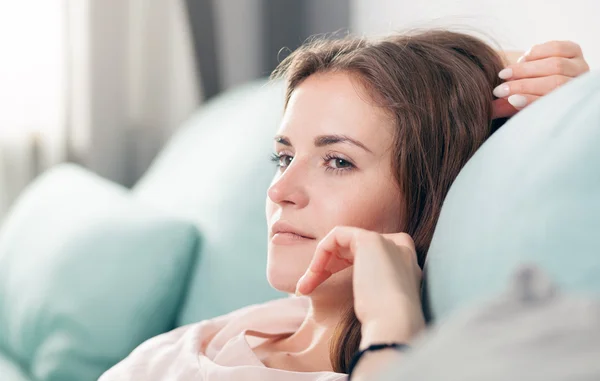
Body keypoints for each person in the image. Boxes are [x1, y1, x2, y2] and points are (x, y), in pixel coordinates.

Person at [99, 30, 589, 381]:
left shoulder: (395, 357)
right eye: (284, 156)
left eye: (337, 161)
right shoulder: (234, 332)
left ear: (430, 195)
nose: (280, 189)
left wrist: (390, 328)